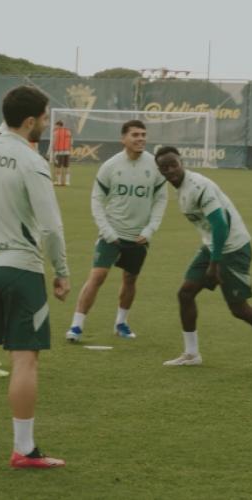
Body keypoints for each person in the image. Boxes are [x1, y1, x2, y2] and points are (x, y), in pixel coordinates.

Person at [0, 85, 71, 467]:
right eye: (45, 117)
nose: (46, 123)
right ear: (30, 120)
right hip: (19, 269)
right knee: (25, 359)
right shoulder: (30, 159)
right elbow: (51, 226)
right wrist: (61, 271)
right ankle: (24, 449)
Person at [153, 147, 252, 367]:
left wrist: (214, 265)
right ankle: (192, 354)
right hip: (213, 246)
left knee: (239, 308)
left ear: (181, 162)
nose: (170, 170)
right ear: (160, 171)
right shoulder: (181, 188)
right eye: (164, 167)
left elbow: (221, 225)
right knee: (185, 293)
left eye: (173, 164)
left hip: (232, 249)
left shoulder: (198, 187)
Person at [65, 120, 167, 342]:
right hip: (111, 233)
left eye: (143, 134)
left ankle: (121, 323)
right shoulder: (110, 166)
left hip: (139, 237)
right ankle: (76, 325)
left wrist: (150, 229)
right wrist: (106, 230)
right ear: (123, 139)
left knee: (130, 279)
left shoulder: (155, 165)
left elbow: (161, 199)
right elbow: (97, 199)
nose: (140, 139)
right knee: (97, 276)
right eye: (135, 135)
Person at [51, 120, 72, 186]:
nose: (55, 126)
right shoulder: (68, 131)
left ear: (58, 125)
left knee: (58, 167)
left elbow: (54, 141)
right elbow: (71, 142)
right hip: (67, 151)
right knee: (67, 167)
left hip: (58, 152)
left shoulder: (56, 132)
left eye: (56, 125)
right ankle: (67, 182)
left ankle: (59, 182)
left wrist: (52, 149)